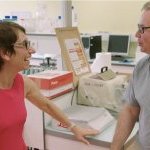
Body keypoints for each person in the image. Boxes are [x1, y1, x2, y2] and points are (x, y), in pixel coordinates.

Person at [0, 21, 99, 150]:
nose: (32, 50)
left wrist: (74, 128)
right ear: (5, 53)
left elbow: (46, 105)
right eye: (25, 44)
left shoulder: (22, 82)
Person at [111, 1, 150, 150]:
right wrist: (114, 148)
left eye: (142, 29)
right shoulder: (141, 68)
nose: (136, 34)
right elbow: (131, 109)